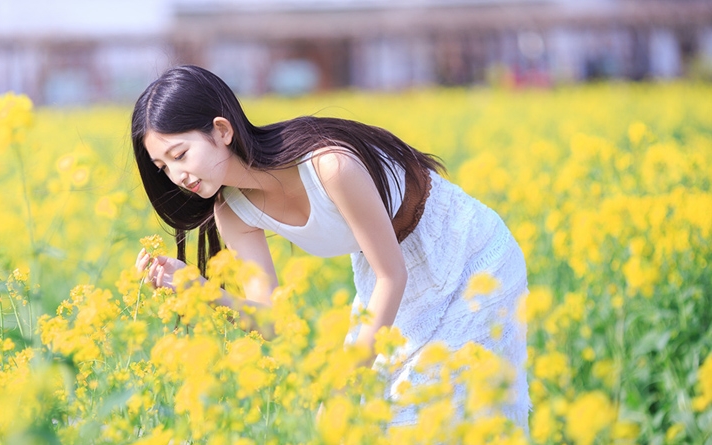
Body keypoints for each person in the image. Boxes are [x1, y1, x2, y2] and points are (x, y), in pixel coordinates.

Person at [132, 65, 529, 429]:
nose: (178, 175)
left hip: (469, 259)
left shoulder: (330, 166)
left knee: (449, 420)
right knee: (383, 423)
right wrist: (201, 292)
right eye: (163, 167)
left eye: (180, 154)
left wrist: (345, 382)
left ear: (222, 131)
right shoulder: (233, 212)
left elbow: (393, 274)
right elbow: (272, 321)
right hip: (390, 275)